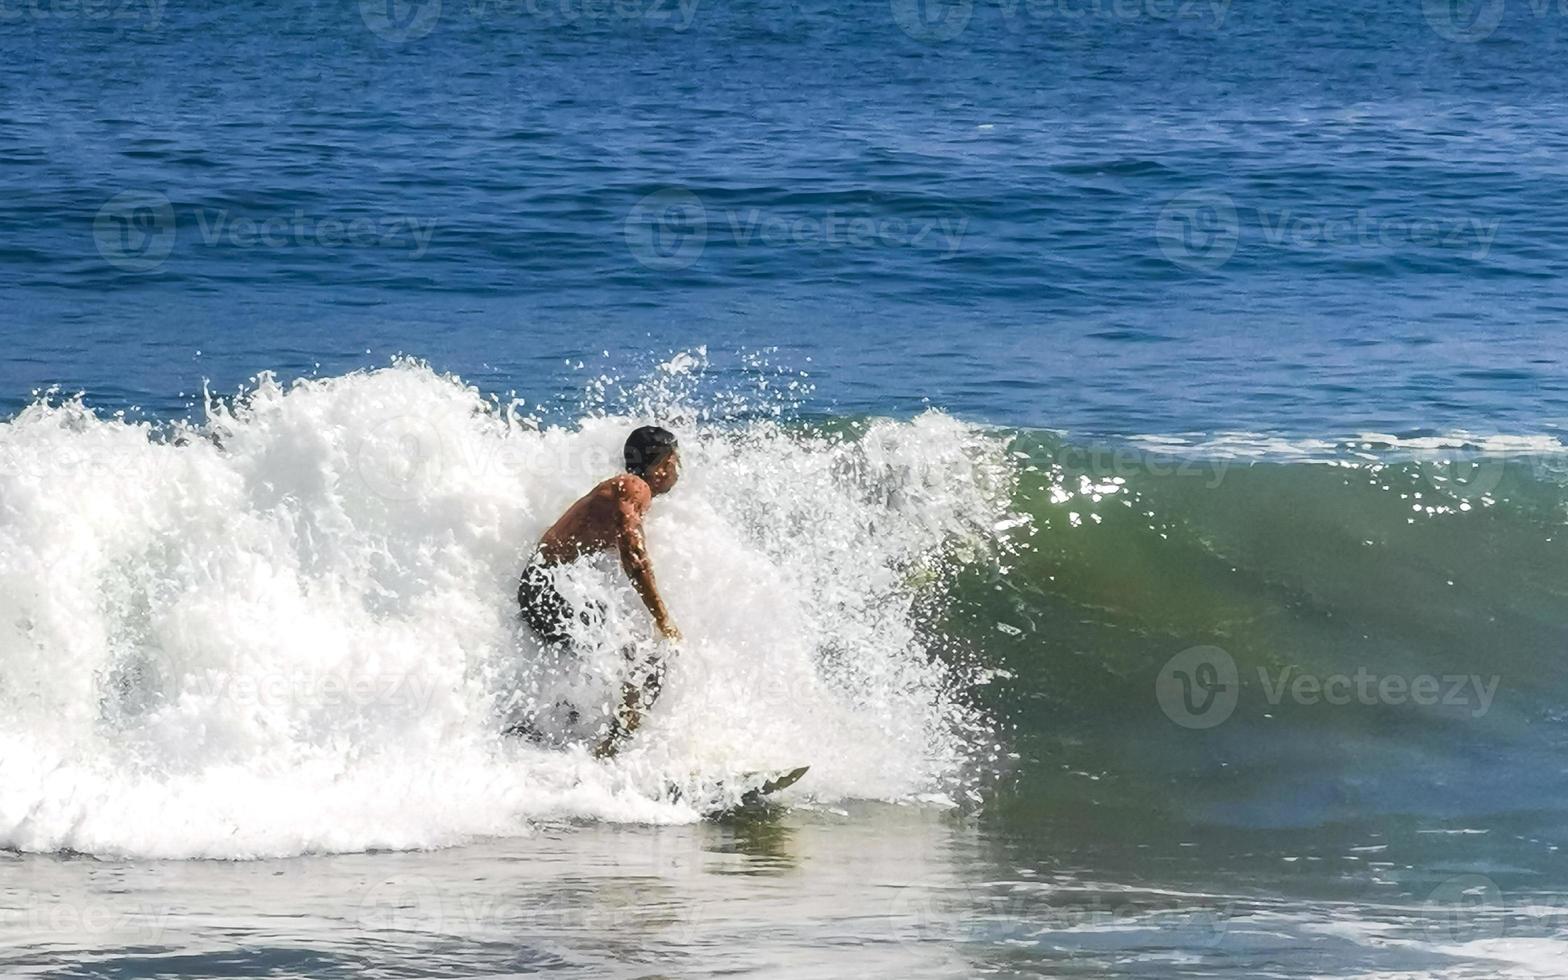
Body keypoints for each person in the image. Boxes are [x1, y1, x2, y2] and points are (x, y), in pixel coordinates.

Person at [517, 425, 682, 758]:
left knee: (606, 661)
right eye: (677, 462)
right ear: (662, 465)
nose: (679, 472)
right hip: (547, 587)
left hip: (547, 586)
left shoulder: (625, 489)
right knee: (646, 662)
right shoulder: (633, 487)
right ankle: (609, 755)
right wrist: (662, 617)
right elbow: (634, 555)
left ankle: (549, 735)